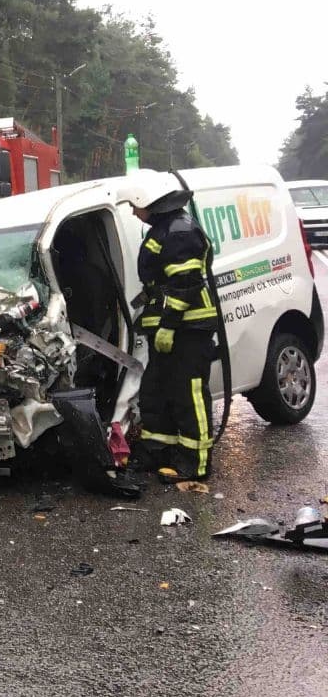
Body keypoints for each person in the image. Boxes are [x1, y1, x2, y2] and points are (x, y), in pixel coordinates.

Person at [119, 171, 221, 481]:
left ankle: (195, 462)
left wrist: (170, 325)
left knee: (188, 393)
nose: (134, 212)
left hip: (187, 330)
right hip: (167, 328)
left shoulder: (179, 231)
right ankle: (158, 450)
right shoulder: (165, 229)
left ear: (149, 202)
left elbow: (185, 282)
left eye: (135, 206)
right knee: (157, 391)